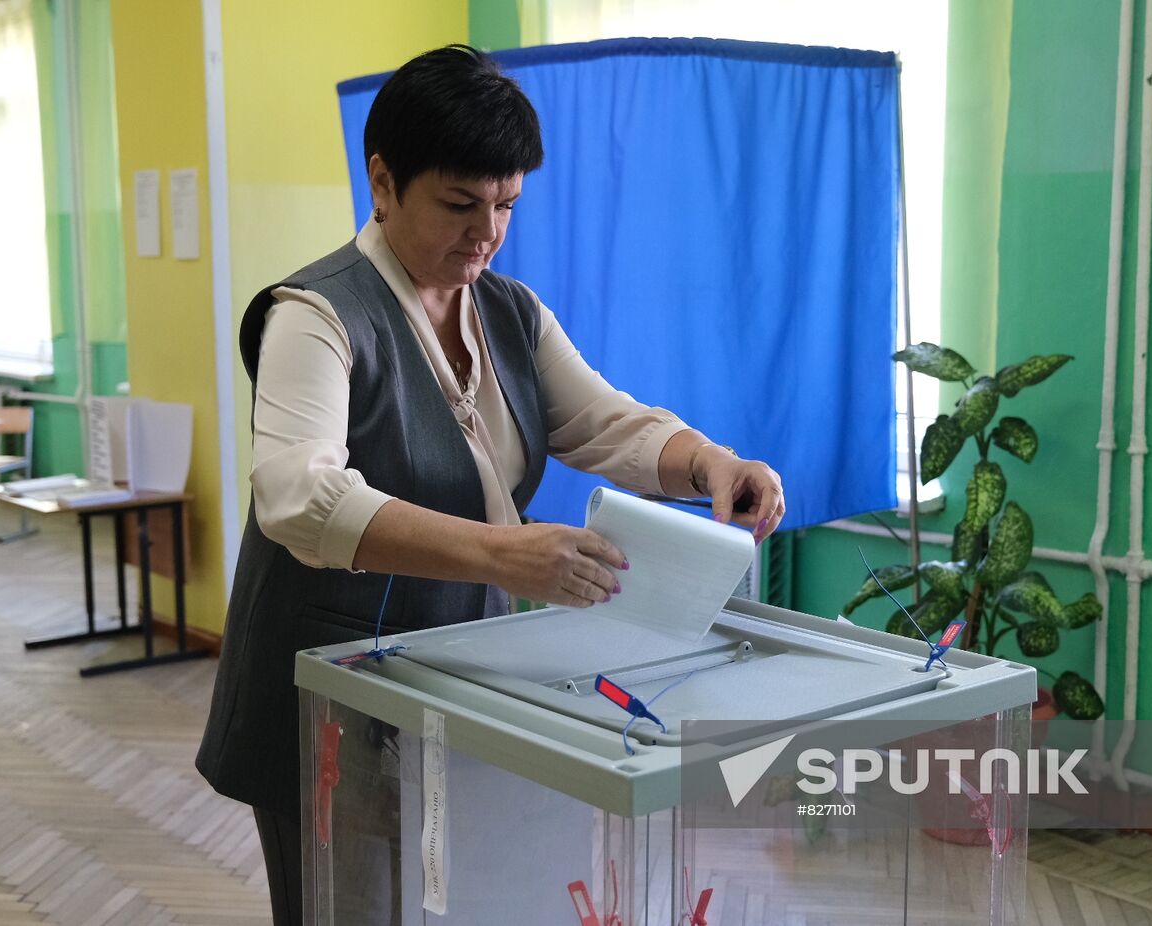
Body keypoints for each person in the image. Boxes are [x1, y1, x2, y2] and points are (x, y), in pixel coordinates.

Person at [195, 44, 785, 925]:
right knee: (349, 907)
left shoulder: (507, 309)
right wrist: (500, 554)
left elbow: (605, 421)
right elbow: (297, 498)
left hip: (455, 675)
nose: (487, 231)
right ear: (384, 182)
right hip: (323, 692)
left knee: (460, 898)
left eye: (506, 203)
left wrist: (710, 463)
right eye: (460, 203)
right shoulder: (315, 317)